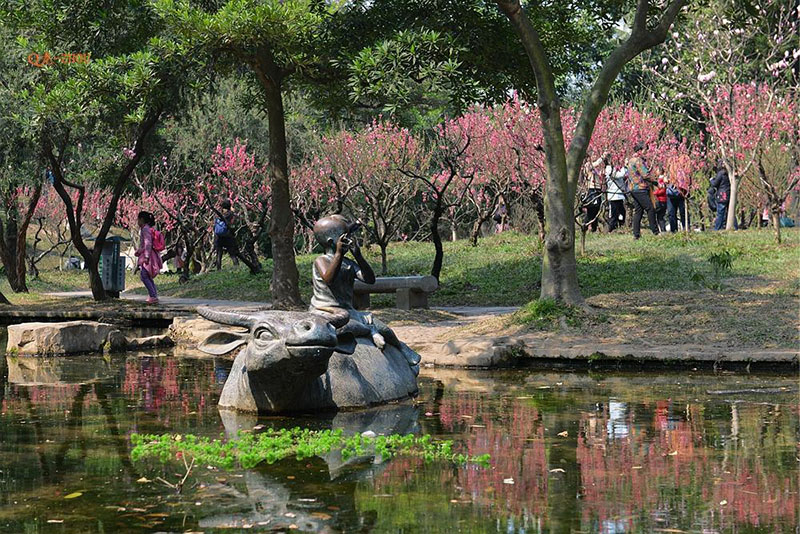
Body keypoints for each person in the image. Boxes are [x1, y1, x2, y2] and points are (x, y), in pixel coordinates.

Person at [309, 214, 420, 374]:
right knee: (345, 328)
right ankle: (370, 331)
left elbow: (369, 279)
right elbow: (329, 279)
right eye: (345, 237)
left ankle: (400, 346)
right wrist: (338, 254)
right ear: (332, 242)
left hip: (349, 312)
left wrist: (359, 256)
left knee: (384, 328)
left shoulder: (349, 264)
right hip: (325, 310)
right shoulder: (321, 261)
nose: (349, 240)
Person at [213, 199, 260, 272]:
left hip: (218, 236)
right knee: (232, 253)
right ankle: (237, 268)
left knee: (219, 254)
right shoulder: (230, 214)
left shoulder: (218, 215)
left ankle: (218, 270)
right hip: (228, 236)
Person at [626, 142, 660, 239]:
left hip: (633, 188)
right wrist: (656, 182)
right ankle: (655, 232)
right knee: (650, 208)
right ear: (640, 151)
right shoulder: (638, 160)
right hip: (640, 188)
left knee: (638, 211)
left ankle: (636, 234)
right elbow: (645, 175)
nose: (646, 152)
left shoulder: (630, 160)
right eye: (645, 150)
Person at [135, 210, 162, 305]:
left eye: (138, 219)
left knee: (144, 276)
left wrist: (146, 256)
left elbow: (148, 243)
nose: (137, 222)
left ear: (142, 219)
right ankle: (153, 295)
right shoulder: (146, 228)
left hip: (148, 257)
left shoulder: (145, 229)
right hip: (148, 255)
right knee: (147, 276)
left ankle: (153, 296)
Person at [605, 154, 627, 232]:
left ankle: (619, 226)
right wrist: (625, 167)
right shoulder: (608, 169)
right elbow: (618, 175)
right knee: (613, 213)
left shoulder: (613, 168)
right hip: (613, 194)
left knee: (622, 212)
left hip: (618, 194)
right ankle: (611, 228)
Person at [710, 160, 734, 230]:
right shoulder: (730, 173)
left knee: (720, 213)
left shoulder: (721, 173)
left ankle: (717, 228)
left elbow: (715, 184)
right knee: (731, 212)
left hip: (722, 195)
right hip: (729, 194)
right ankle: (734, 227)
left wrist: (711, 180)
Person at [582, 158, 605, 232]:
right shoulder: (588, 165)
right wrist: (602, 157)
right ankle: (585, 225)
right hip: (591, 189)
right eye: (593, 155)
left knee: (597, 209)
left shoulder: (597, 168)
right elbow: (593, 165)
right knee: (591, 208)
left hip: (598, 188)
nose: (594, 156)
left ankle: (594, 228)